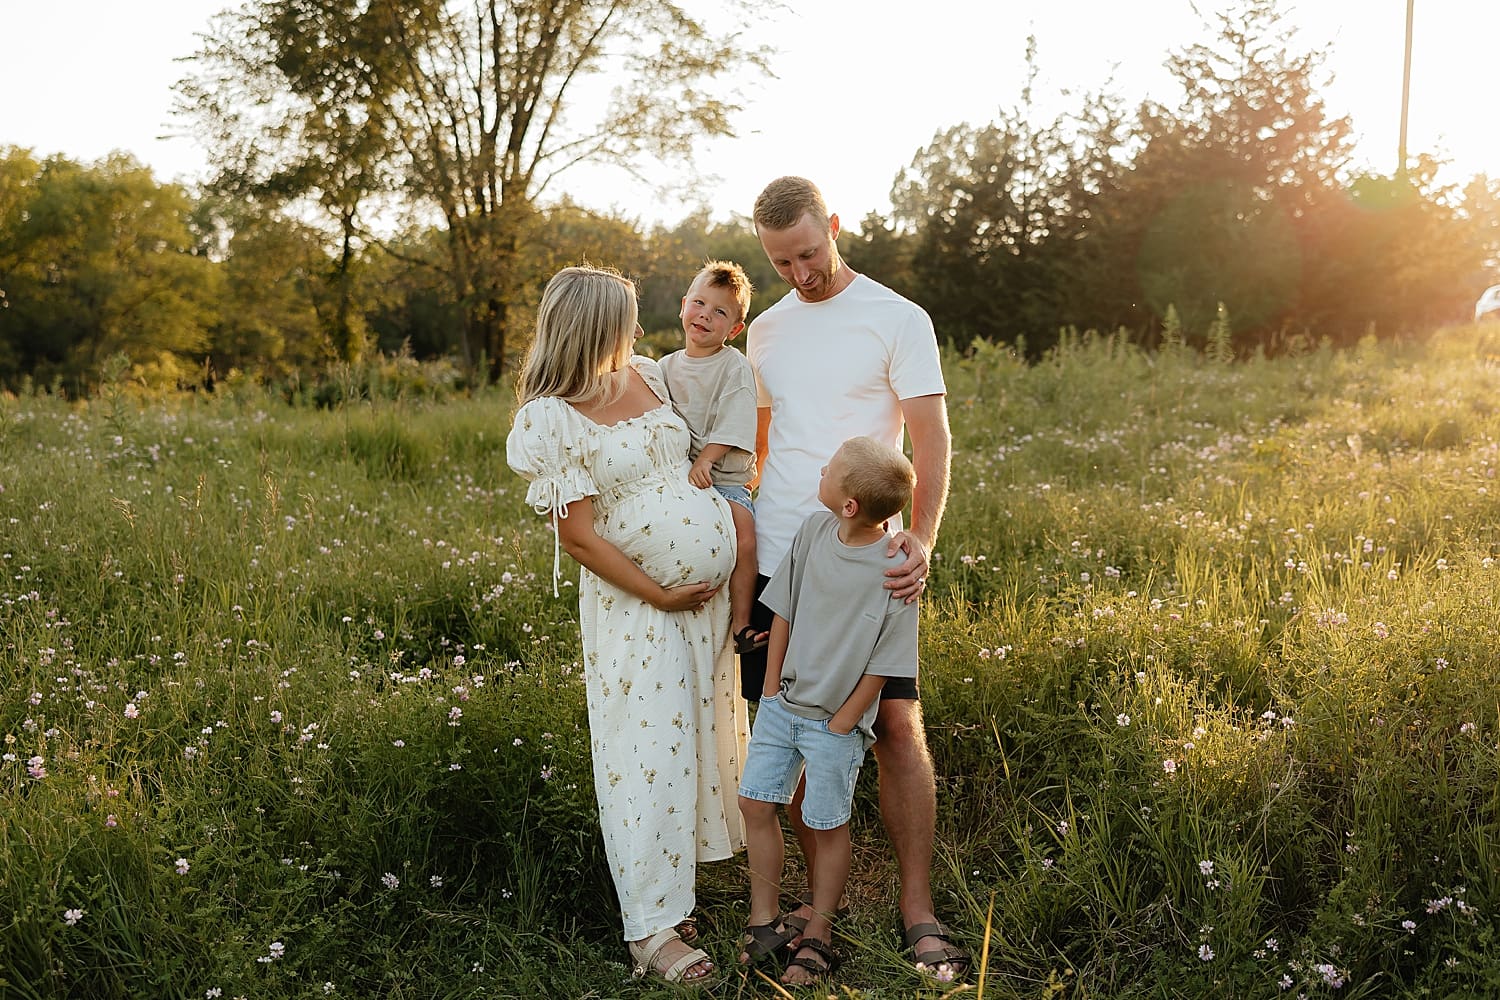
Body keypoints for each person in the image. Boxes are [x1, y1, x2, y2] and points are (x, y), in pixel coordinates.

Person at [743, 176, 970, 981]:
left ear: (832, 226)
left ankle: (917, 905)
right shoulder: (763, 333)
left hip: (875, 562)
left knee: (897, 730)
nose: (799, 273)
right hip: (784, 560)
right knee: (797, 735)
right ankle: (815, 910)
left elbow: (931, 439)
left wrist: (922, 541)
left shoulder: (897, 317)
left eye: (807, 253)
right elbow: (761, 449)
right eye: (780, 262)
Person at [505, 264, 748, 986]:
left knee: (692, 742)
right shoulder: (551, 417)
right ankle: (648, 930)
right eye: (628, 318)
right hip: (640, 609)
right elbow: (577, 538)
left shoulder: (644, 373)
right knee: (645, 754)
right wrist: (659, 592)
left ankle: (676, 898)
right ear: (594, 327)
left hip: (699, 607)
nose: (641, 332)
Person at [738, 436, 919, 986]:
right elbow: (785, 608)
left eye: (830, 469)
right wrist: (770, 686)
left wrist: (844, 723)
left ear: (849, 504)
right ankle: (763, 919)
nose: (822, 467)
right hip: (781, 704)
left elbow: (884, 663)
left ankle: (819, 931)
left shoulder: (893, 570)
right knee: (755, 803)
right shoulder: (814, 532)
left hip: (834, 725)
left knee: (825, 822)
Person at [657, 260, 763, 655]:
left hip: (724, 479)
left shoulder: (734, 367)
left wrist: (706, 460)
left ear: (734, 329)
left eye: (720, 312)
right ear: (683, 305)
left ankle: (741, 625)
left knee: (746, 537)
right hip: (680, 474)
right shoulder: (664, 367)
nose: (705, 315)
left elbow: (734, 423)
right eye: (699, 303)